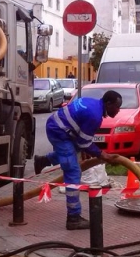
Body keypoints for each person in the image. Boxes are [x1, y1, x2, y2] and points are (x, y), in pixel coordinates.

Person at [33, 91, 122, 230]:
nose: (118, 110)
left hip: (60, 128)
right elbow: (84, 143)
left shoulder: (94, 104)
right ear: (108, 104)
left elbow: (83, 140)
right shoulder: (95, 115)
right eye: (117, 106)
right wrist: (102, 155)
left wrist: (86, 148)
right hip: (59, 132)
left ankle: (43, 161)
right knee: (73, 172)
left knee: (70, 155)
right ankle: (73, 218)